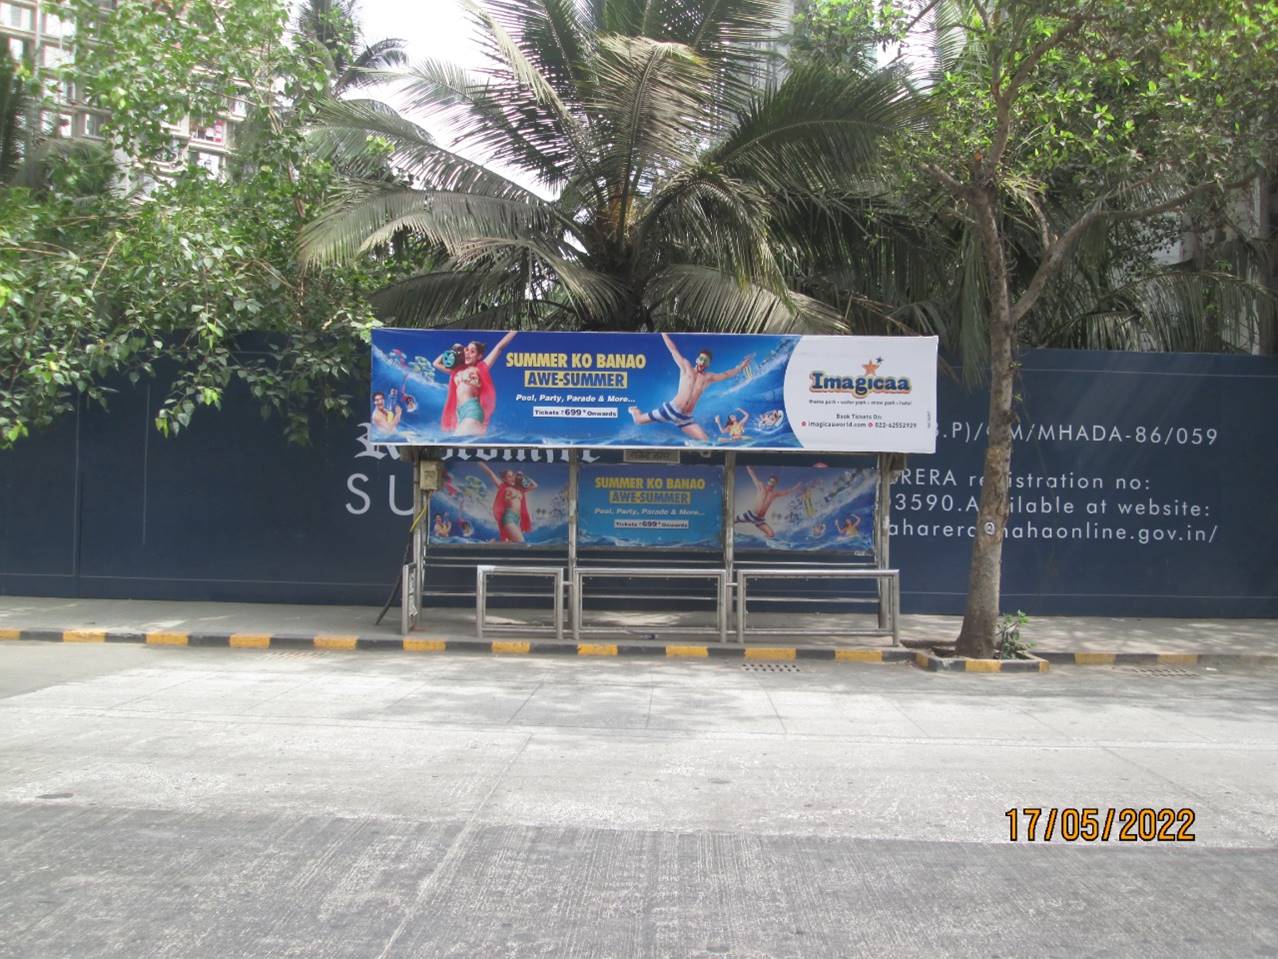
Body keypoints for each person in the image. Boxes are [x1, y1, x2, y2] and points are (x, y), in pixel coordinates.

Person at [629, 334, 753, 442]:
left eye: (706, 361)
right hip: (671, 410)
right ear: (697, 359)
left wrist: (741, 366)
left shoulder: (708, 378)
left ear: (708, 364)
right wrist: (663, 334)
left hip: (685, 418)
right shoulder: (686, 367)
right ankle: (635, 411)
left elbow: (727, 374)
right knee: (638, 420)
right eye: (701, 359)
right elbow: (673, 350)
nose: (702, 362)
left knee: (705, 440)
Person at [435, 331, 517, 436]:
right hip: (460, 413)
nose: (468, 353)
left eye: (472, 351)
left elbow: (499, 348)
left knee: (458, 438)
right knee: (462, 441)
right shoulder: (457, 371)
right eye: (467, 350)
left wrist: (514, 331)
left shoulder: (479, 369)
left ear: (479, 356)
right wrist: (453, 350)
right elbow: (436, 363)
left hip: (472, 409)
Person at [734, 465, 804, 539]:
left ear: (775, 484)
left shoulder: (774, 494)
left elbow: (786, 492)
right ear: (768, 481)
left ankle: (757, 541)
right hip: (750, 515)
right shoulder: (761, 486)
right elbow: (753, 476)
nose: (771, 483)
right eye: (770, 481)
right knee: (732, 521)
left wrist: (796, 487)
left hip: (759, 520)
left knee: (771, 534)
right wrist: (748, 468)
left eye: (773, 482)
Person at [478, 462, 537, 543]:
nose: (512, 478)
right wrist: (480, 462)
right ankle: (493, 543)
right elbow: (490, 473)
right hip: (509, 517)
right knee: (520, 542)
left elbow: (534, 485)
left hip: (517, 519)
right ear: (504, 479)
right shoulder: (503, 487)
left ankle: (493, 543)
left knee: (510, 543)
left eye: (513, 475)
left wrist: (523, 477)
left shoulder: (520, 489)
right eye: (509, 476)